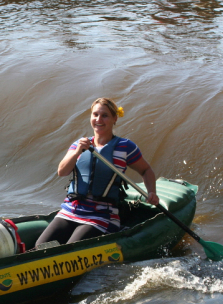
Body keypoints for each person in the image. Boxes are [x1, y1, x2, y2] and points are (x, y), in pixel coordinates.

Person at [34, 97, 159, 246]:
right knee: (40, 246)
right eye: (95, 114)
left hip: (102, 216)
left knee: (70, 249)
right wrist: (77, 153)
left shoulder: (125, 147)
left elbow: (146, 170)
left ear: (114, 119)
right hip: (70, 211)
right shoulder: (79, 144)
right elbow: (62, 171)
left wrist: (152, 191)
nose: (99, 119)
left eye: (105, 115)